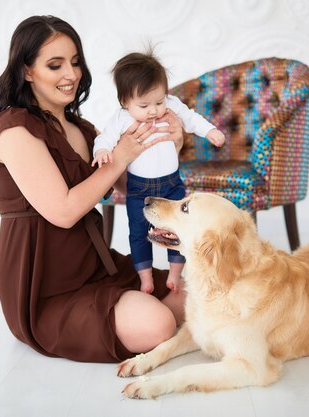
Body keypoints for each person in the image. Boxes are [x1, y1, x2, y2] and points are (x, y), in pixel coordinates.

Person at [0, 15, 186, 363]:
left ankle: (141, 306)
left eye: (75, 62)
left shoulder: (83, 129)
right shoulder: (14, 129)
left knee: (199, 294)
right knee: (157, 324)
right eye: (55, 64)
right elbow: (64, 211)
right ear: (27, 70)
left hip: (95, 266)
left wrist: (170, 147)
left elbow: (128, 187)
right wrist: (120, 158)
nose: (71, 74)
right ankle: (139, 315)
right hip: (46, 287)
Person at [92, 51, 225, 294]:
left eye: (159, 101)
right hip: (139, 188)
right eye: (144, 105)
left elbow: (192, 119)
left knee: (178, 228)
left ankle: (175, 273)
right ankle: (145, 276)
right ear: (125, 102)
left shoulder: (172, 107)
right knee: (139, 232)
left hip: (172, 184)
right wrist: (101, 151)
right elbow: (104, 138)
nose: (153, 111)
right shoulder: (121, 119)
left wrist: (210, 131)